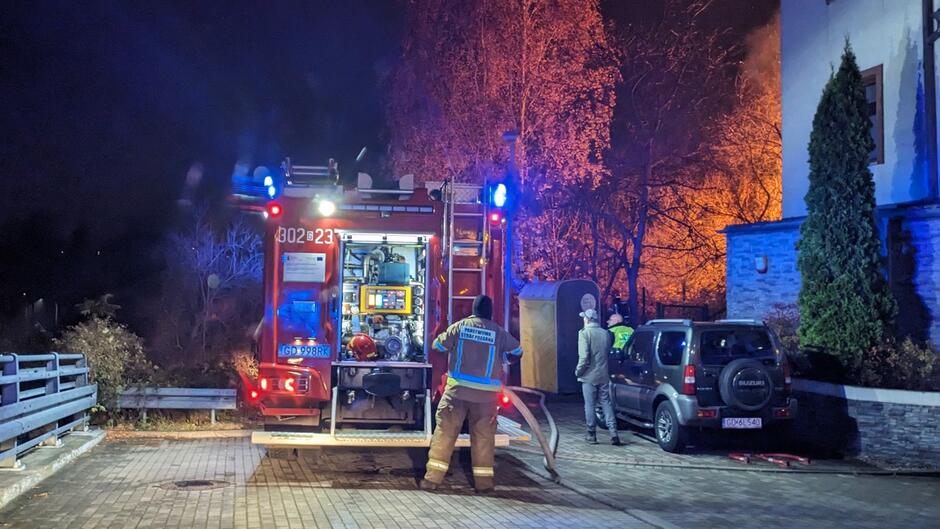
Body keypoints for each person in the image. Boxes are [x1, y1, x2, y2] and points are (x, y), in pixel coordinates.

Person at [420, 295, 522, 493]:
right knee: (484, 439)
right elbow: (518, 350)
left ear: (473, 310)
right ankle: (484, 485)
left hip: (456, 393)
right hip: (487, 398)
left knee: (445, 435)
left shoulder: (460, 327)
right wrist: (505, 359)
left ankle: (432, 480)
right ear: (490, 311)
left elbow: (438, 346)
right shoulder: (499, 332)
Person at [576, 308, 621, 446]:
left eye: (584, 317)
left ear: (588, 319)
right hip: (603, 374)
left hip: (589, 376)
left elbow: (584, 357)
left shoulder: (584, 334)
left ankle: (591, 434)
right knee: (606, 403)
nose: (583, 319)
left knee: (589, 404)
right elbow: (606, 352)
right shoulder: (605, 333)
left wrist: (578, 371)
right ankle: (613, 433)